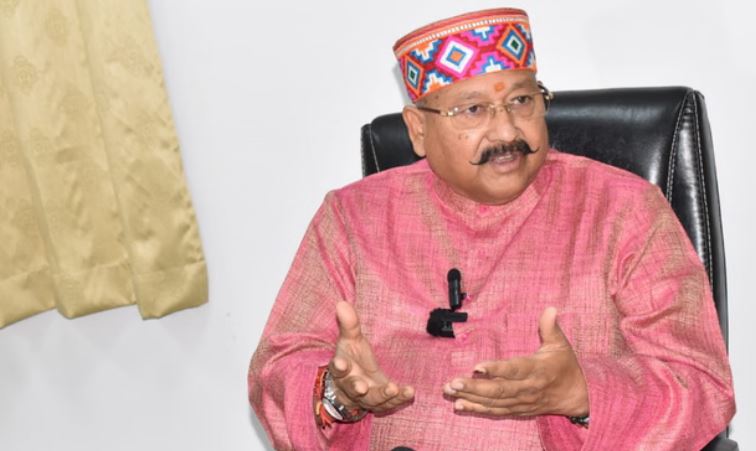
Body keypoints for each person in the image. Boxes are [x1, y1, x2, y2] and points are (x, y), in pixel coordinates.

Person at [248, 8, 735, 450]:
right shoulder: (353, 217)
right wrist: (337, 395)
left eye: (522, 101)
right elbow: (278, 367)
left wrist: (582, 393)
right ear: (418, 130)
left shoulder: (624, 209)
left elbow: (700, 384)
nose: (506, 132)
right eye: (473, 110)